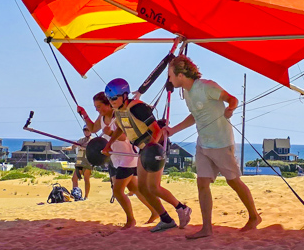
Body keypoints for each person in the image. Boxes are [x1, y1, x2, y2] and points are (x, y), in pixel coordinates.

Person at [164, 56, 261, 239]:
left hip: (221, 143)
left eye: (170, 76)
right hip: (203, 144)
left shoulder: (207, 86)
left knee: (233, 181)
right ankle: (206, 228)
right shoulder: (186, 92)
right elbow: (195, 116)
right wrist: (173, 130)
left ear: (181, 75)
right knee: (202, 183)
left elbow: (231, 99)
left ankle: (254, 217)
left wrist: (230, 109)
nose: (169, 80)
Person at [101, 78, 192, 233]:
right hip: (145, 149)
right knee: (143, 188)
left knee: (154, 187)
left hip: (156, 147)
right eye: (109, 99)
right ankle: (166, 219)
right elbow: (122, 128)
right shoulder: (119, 111)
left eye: (114, 98)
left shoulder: (138, 108)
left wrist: (151, 150)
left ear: (124, 96)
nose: (111, 102)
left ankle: (182, 208)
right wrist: (109, 144)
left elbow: (156, 130)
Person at [78, 92, 158, 228]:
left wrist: (110, 134)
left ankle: (131, 220)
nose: (97, 109)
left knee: (118, 191)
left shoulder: (119, 115)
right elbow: (92, 129)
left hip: (127, 156)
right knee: (135, 188)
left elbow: (125, 136)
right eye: (95, 107)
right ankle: (155, 211)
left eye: (99, 106)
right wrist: (84, 114)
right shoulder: (102, 117)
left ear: (108, 104)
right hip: (116, 157)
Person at [69, 126, 92, 199]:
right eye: (85, 130)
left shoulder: (93, 140)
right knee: (74, 178)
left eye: (88, 130)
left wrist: (85, 147)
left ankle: (86, 196)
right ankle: (76, 194)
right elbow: (73, 146)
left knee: (86, 179)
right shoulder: (81, 140)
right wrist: (66, 148)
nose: (86, 131)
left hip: (87, 162)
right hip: (79, 162)